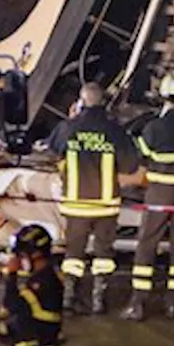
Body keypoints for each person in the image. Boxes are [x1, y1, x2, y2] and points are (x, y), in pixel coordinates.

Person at [121, 72, 174, 321]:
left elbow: (142, 157)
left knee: (147, 244)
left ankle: (138, 303)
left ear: (165, 96)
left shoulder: (154, 128)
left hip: (159, 192)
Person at [52, 82, 140, 315]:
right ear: (102, 103)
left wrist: (71, 121)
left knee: (73, 253)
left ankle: (69, 299)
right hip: (105, 205)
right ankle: (99, 301)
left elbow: (52, 149)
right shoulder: (114, 130)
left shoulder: (67, 128)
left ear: (80, 103)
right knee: (104, 253)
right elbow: (131, 166)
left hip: (75, 203)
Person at [0, 224, 64, 346]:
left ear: (36, 255)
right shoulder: (42, 279)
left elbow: (12, 305)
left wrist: (11, 276)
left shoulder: (44, 283)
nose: (20, 260)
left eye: (22, 255)